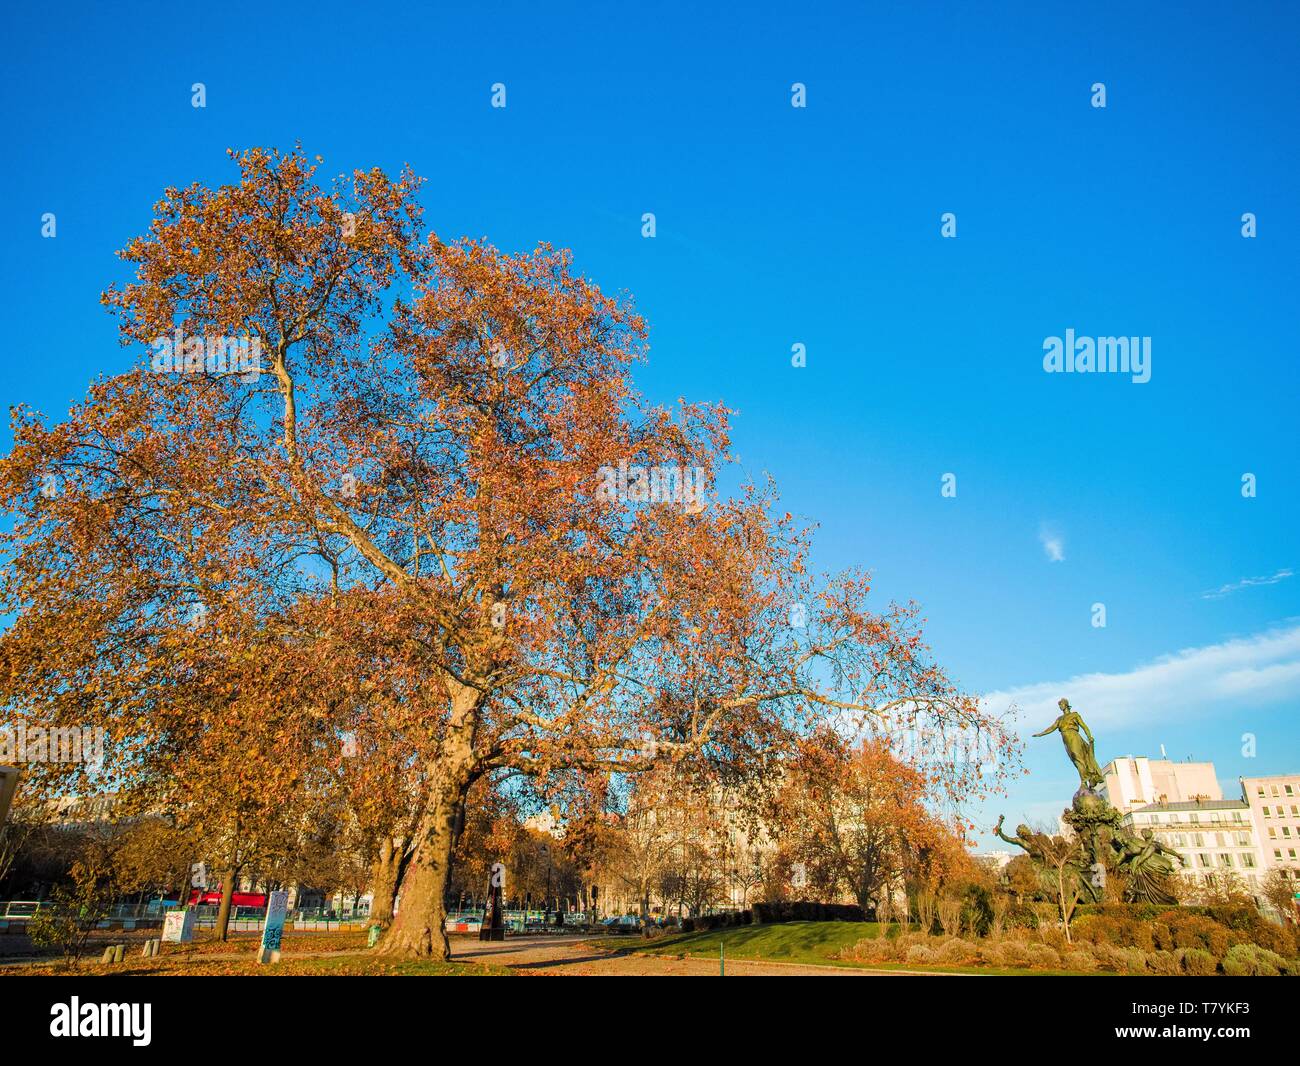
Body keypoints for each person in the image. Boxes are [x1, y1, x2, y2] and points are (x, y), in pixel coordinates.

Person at [1033, 698, 1104, 789]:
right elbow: (1052, 728)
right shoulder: (1060, 719)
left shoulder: (1074, 715)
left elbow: (1084, 726)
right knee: (1075, 761)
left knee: (1078, 758)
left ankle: (1085, 780)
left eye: (1061, 704)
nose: (1060, 706)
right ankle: (1086, 780)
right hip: (1066, 740)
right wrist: (1040, 734)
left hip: (1074, 737)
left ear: (1066, 704)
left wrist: (1089, 736)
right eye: (1059, 705)